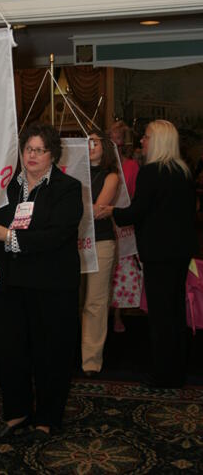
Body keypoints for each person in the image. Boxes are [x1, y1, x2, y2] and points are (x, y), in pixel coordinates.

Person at [0, 122, 83, 439]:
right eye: (28, 149)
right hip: (9, 288)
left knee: (51, 356)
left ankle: (47, 419)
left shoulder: (68, 188)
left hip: (51, 288)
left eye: (40, 149)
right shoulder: (3, 187)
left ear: (53, 154)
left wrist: (8, 236)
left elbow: (54, 237)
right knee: (11, 355)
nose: (32, 155)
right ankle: (17, 413)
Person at [97, 120, 198, 388]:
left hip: (158, 253)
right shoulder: (183, 171)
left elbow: (136, 211)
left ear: (160, 141)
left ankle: (162, 374)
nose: (142, 140)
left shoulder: (151, 172)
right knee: (175, 313)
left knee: (161, 316)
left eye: (147, 137)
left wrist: (111, 212)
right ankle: (177, 370)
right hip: (179, 254)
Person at [81, 128, 119, 377]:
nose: (89, 145)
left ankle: (91, 361)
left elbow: (96, 212)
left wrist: (73, 209)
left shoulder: (111, 176)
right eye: (86, 142)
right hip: (72, 243)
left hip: (101, 243)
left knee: (95, 302)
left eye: (94, 142)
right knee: (70, 299)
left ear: (105, 147)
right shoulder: (75, 172)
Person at [108, 120, 141, 332]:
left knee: (121, 272)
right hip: (105, 223)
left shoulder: (131, 166)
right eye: (111, 137)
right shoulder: (103, 167)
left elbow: (136, 196)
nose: (114, 141)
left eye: (118, 138)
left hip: (124, 226)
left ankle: (118, 314)